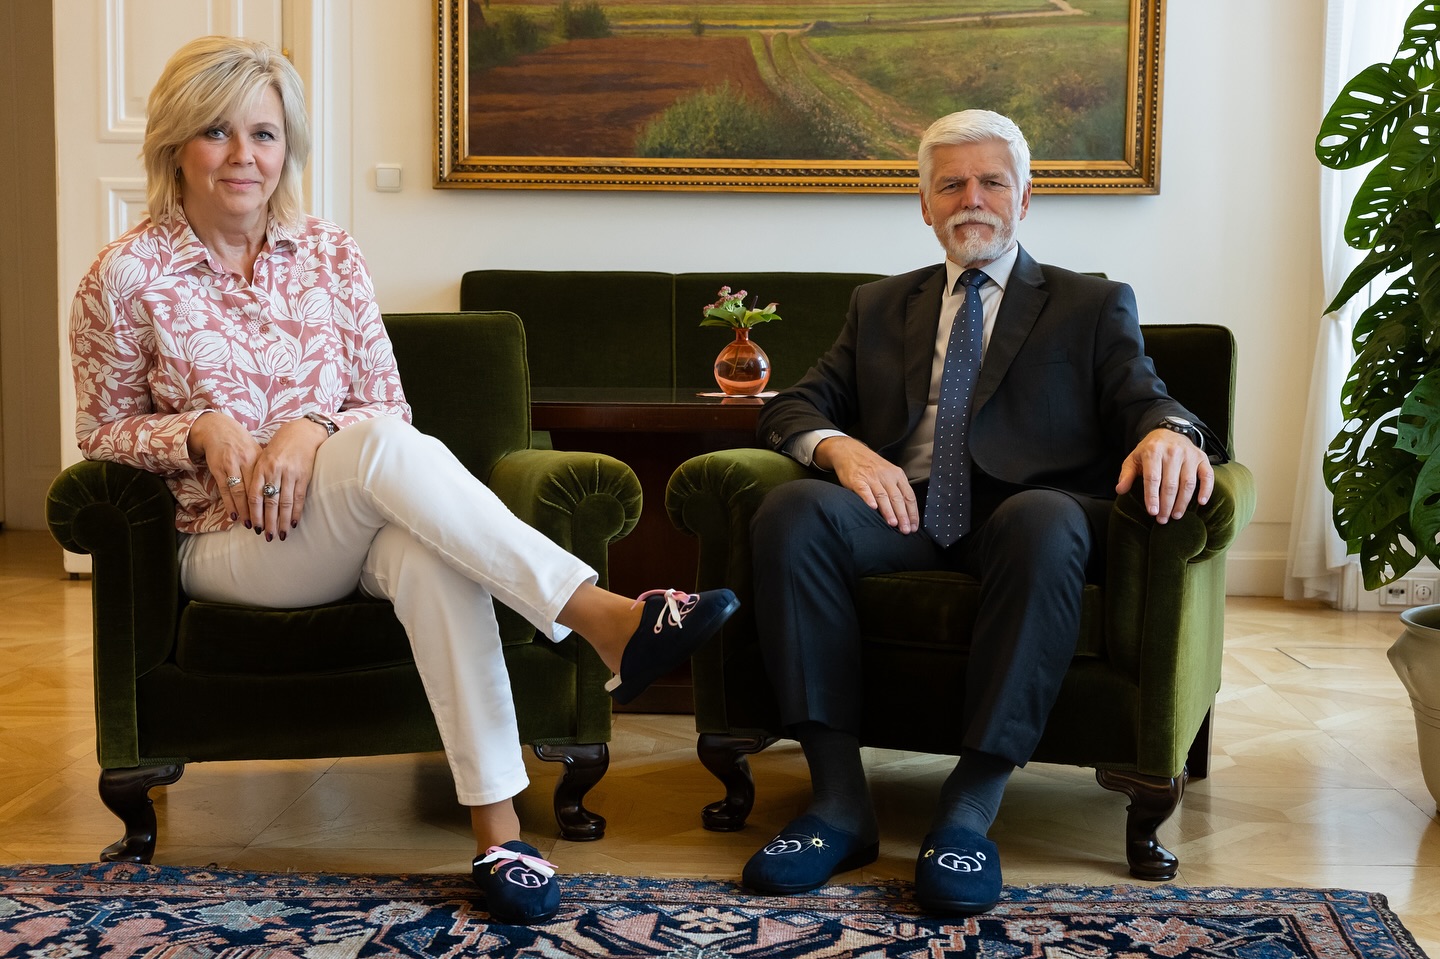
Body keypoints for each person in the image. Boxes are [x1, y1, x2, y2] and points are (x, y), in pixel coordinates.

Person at [67, 35, 737, 927]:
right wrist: (198, 428)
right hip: (232, 543)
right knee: (383, 450)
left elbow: (386, 403)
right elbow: (101, 428)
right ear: (175, 146)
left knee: (431, 554)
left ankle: (499, 834)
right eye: (217, 132)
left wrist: (309, 428)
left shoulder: (330, 254)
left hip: (345, 521)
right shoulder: (124, 275)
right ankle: (606, 618)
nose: (243, 156)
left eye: (264, 134)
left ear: (288, 149)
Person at [739, 110, 1221, 915]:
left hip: (1022, 523)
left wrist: (1170, 433)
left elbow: (1147, 398)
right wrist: (841, 449)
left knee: (1046, 519)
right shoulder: (878, 305)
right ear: (924, 204)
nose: (973, 198)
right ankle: (838, 804)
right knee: (792, 511)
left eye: (992, 182)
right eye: (952, 184)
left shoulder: (1091, 303)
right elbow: (794, 405)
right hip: (906, 512)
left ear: (1024, 199)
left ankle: (967, 810)